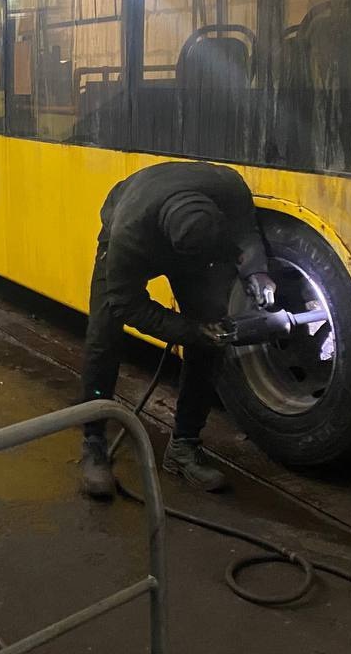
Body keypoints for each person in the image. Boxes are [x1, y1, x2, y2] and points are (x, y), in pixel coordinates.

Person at [78, 161, 276, 497]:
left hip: (187, 234)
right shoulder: (129, 233)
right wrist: (189, 330)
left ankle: (184, 445)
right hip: (134, 222)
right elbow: (128, 304)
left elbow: (246, 234)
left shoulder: (229, 188)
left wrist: (257, 271)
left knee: (213, 334)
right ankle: (93, 441)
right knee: (103, 337)